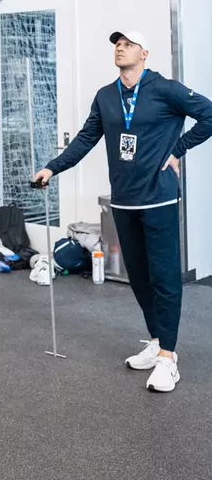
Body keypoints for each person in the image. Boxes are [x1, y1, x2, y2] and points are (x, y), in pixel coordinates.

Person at [34, 30, 212, 392]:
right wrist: (52, 167)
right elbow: (86, 138)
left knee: (163, 277)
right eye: (117, 42)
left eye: (128, 43)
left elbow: (209, 114)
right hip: (124, 200)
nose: (120, 47)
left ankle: (169, 358)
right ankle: (156, 341)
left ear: (144, 53)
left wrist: (178, 149)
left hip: (159, 199)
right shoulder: (105, 96)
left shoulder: (165, 89)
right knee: (140, 278)